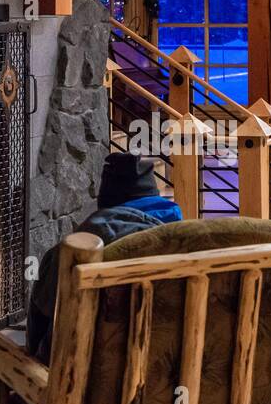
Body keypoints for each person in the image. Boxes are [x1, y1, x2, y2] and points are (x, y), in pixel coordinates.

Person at [26, 152, 181, 362]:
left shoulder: (65, 255)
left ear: (105, 202)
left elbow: (40, 326)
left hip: (82, 383)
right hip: (169, 375)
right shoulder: (188, 247)